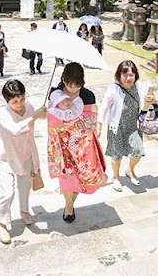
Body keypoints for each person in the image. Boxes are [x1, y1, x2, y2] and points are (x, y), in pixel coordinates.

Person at [47, 63, 107, 223]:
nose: (73, 90)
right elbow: (52, 119)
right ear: (63, 80)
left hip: (82, 147)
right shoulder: (55, 94)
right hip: (63, 145)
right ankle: (68, 207)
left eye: (77, 86)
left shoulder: (88, 96)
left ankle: (70, 202)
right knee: (67, 176)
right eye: (69, 85)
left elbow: (90, 122)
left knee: (81, 176)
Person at [0, 79, 47, 244]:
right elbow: (16, 130)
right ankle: (2, 223)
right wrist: (35, 117)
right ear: (7, 101)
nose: (19, 104)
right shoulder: (2, 113)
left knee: (25, 187)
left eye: (22, 99)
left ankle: (24, 210)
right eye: (14, 101)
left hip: (25, 154)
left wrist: (42, 114)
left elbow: (30, 135)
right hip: (6, 157)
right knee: (7, 192)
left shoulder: (29, 108)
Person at [98, 60, 155, 192]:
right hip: (116, 127)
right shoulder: (114, 89)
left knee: (138, 150)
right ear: (119, 75)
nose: (129, 78)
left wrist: (152, 100)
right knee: (116, 154)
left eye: (131, 75)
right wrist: (99, 125)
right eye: (125, 75)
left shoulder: (139, 86)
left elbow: (151, 98)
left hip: (133, 126)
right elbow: (104, 107)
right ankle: (116, 177)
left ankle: (130, 170)